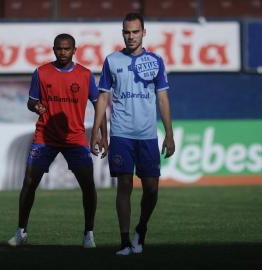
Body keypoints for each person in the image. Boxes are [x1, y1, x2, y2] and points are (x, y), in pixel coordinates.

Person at [8, 33, 107, 248]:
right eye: (59, 49)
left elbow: (99, 105)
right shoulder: (42, 73)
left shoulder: (85, 75)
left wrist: (102, 135)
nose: (63, 52)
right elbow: (31, 101)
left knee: (88, 186)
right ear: (53, 49)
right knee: (29, 182)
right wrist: (36, 107)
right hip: (46, 136)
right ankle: (21, 231)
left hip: (74, 138)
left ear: (74, 50)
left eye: (67, 49)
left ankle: (88, 233)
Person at [90, 12, 175, 255]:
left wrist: (169, 133)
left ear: (143, 33)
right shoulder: (112, 60)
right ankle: (125, 241)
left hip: (147, 135)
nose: (131, 36)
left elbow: (163, 97)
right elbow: (103, 96)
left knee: (151, 189)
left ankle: (142, 227)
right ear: (122, 33)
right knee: (124, 185)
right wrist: (96, 130)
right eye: (127, 32)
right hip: (121, 134)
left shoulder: (156, 61)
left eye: (135, 31)